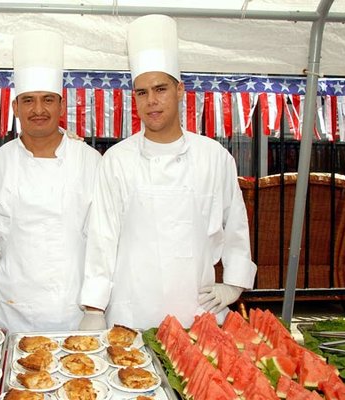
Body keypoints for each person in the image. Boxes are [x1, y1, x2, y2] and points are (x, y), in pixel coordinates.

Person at [78, 14, 257, 330]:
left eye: (160, 89)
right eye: (142, 92)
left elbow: (236, 225)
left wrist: (234, 283)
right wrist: (94, 308)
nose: (151, 101)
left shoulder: (214, 157)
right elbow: (102, 237)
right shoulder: (117, 160)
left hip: (197, 310)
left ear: (180, 90)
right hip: (130, 313)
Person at [0, 30, 102, 333]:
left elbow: (102, 237)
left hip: (74, 307)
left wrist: (95, 305)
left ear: (61, 105)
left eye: (48, 100)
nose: (38, 110)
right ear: (15, 107)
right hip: (13, 307)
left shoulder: (91, 162)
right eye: (28, 100)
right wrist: (18, 263)